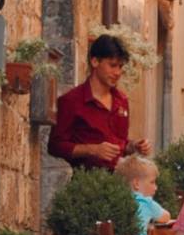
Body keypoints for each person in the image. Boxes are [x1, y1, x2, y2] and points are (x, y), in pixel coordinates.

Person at [49, 34, 152, 171]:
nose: (118, 72)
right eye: (113, 65)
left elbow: (121, 144)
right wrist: (92, 149)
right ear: (95, 62)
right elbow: (55, 146)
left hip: (118, 180)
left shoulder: (122, 100)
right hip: (87, 182)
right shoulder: (71, 101)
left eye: (120, 67)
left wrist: (134, 146)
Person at [116, 154, 169, 235]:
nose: (156, 187)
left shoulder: (116, 199)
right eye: (152, 182)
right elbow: (166, 217)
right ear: (136, 184)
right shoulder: (146, 202)